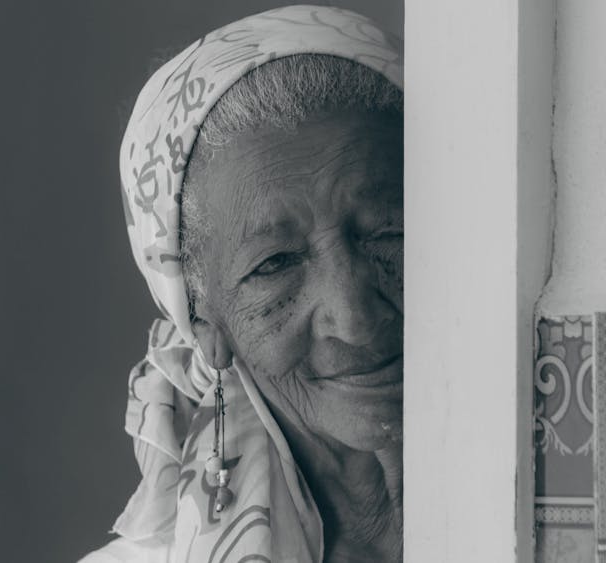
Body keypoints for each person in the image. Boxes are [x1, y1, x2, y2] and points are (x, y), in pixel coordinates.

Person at [81, 5, 403, 562]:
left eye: (387, 231)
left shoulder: (576, 487)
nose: (353, 315)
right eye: (274, 264)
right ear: (205, 326)